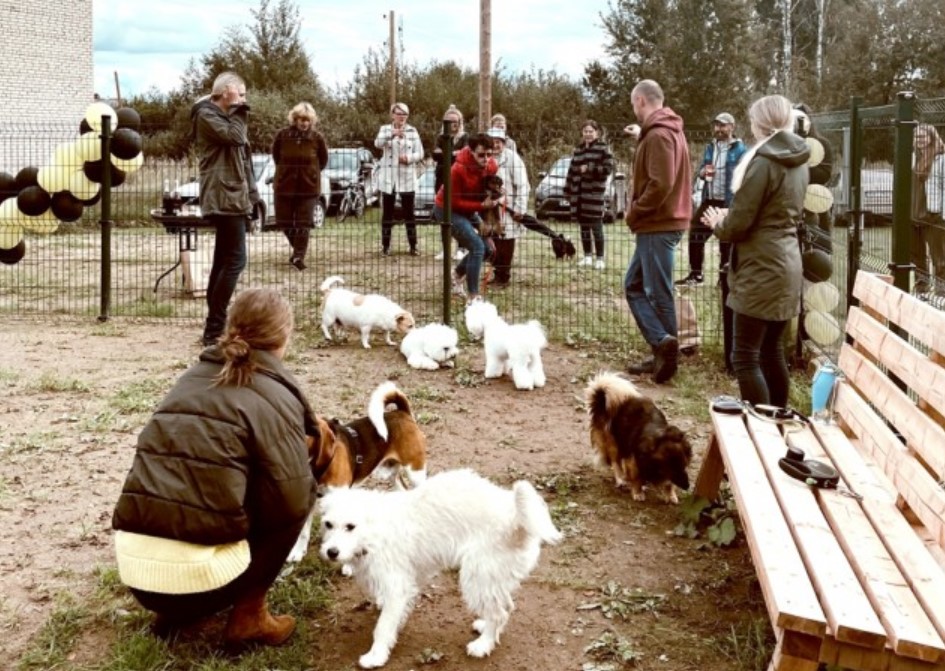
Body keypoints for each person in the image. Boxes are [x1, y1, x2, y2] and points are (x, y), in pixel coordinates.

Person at [112, 287, 316, 650]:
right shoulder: (277, 395)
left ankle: (173, 613)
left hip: (138, 576)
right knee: (298, 495)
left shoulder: (189, 379)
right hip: (203, 585)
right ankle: (249, 617)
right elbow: (292, 498)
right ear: (285, 337)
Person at [701, 94, 810, 408]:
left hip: (761, 267)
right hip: (786, 262)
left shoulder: (763, 161)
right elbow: (773, 210)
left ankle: (761, 427)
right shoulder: (798, 160)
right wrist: (733, 216)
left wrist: (719, 222)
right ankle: (777, 421)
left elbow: (740, 225)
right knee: (771, 352)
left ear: (760, 124)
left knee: (745, 357)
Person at [624, 80, 692, 384]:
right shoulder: (666, 131)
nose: (634, 110)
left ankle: (666, 352)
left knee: (657, 291)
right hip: (661, 223)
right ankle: (662, 347)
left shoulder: (659, 135)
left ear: (640, 100)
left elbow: (660, 184)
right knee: (634, 285)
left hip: (658, 223)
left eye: (633, 104)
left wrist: (635, 211)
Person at [190, 71, 260, 347]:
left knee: (223, 261)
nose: (244, 100)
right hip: (223, 196)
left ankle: (215, 327)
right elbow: (236, 137)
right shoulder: (207, 116)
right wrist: (239, 110)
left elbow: (244, 158)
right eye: (240, 94)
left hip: (234, 196)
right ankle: (215, 328)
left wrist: (252, 196)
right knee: (235, 261)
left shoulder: (224, 117)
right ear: (226, 91)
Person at [677, 112, 747, 286]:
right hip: (710, 199)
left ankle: (724, 279)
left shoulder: (741, 149)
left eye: (722, 125)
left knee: (725, 240)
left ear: (732, 127)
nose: (718, 129)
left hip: (728, 202)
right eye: (716, 125)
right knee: (695, 233)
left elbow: (744, 175)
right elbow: (702, 168)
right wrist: (702, 173)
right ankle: (696, 275)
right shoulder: (711, 146)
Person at [432, 132, 498, 303]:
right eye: (481, 155)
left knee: (488, 249)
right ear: (471, 151)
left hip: (470, 209)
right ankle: (473, 296)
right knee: (477, 246)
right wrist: (481, 206)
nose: (486, 159)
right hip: (447, 209)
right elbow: (454, 202)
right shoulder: (458, 169)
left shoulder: (492, 166)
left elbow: (488, 191)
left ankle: (456, 275)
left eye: (489, 154)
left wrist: (496, 200)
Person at [271, 101, 329, 272]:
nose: (305, 123)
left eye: (308, 120)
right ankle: (297, 248)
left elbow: (323, 161)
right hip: (284, 186)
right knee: (283, 221)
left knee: (304, 223)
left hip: (308, 188)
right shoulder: (282, 135)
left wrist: (311, 173)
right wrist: (285, 172)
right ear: (295, 119)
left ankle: (298, 256)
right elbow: (276, 157)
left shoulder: (317, 138)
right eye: (302, 119)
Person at [374, 102, 424, 256]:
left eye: (405, 114)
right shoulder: (385, 129)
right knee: (387, 214)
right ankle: (385, 246)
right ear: (392, 115)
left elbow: (420, 153)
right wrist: (392, 134)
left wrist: (408, 158)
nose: (402, 117)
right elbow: (377, 143)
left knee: (409, 213)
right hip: (389, 178)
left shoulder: (413, 131)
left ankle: (413, 246)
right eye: (399, 113)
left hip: (406, 177)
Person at [566, 119, 615, 270]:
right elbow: (571, 171)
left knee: (596, 227)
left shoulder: (603, 148)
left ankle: (600, 258)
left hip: (594, 194)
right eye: (585, 131)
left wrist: (590, 168)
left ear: (596, 132)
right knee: (584, 227)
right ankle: (587, 256)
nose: (588, 134)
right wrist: (567, 189)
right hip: (579, 194)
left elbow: (608, 169)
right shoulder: (578, 150)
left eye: (591, 131)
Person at [488, 127, 529, 288]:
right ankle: (497, 273)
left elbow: (522, 185)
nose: (495, 145)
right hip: (491, 208)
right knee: (494, 240)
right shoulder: (486, 157)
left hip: (509, 208)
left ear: (504, 143)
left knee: (506, 241)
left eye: (498, 141)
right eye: (492, 142)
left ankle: (503, 276)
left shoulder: (512, 158)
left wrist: (520, 208)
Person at [914, 123, 945, 293]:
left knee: (939, 256)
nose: (918, 140)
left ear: (932, 137)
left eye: (922, 136)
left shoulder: (941, 159)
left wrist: (943, 214)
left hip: (934, 214)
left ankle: (942, 290)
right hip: (915, 213)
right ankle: (922, 287)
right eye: (916, 137)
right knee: (917, 255)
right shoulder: (915, 157)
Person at [432, 104, 469, 193]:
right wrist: (453, 153)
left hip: (459, 175)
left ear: (460, 122)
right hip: (442, 175)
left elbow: (464, 154)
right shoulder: (440, 137)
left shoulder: (465, 136)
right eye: (450, 121)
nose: (453, 124)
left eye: (455, 121)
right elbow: (435, 155)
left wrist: (444, 153)